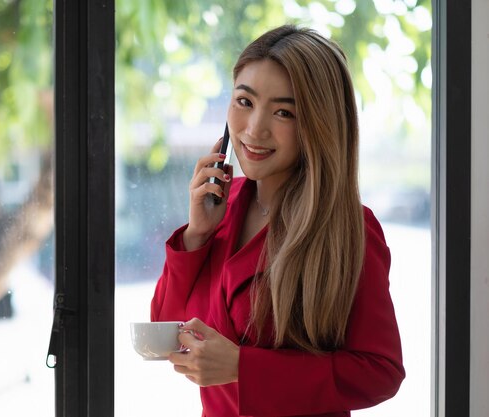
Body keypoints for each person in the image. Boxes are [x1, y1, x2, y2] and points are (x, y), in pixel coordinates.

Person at [150, 24, 405, 417]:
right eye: (244, 101)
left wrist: (243, 368)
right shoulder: (221, 207)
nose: (254, 129)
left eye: (284, 112)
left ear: (318, 125)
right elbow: (165, 334)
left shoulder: (349, 230)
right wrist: (196, 235)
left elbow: (381, 371)